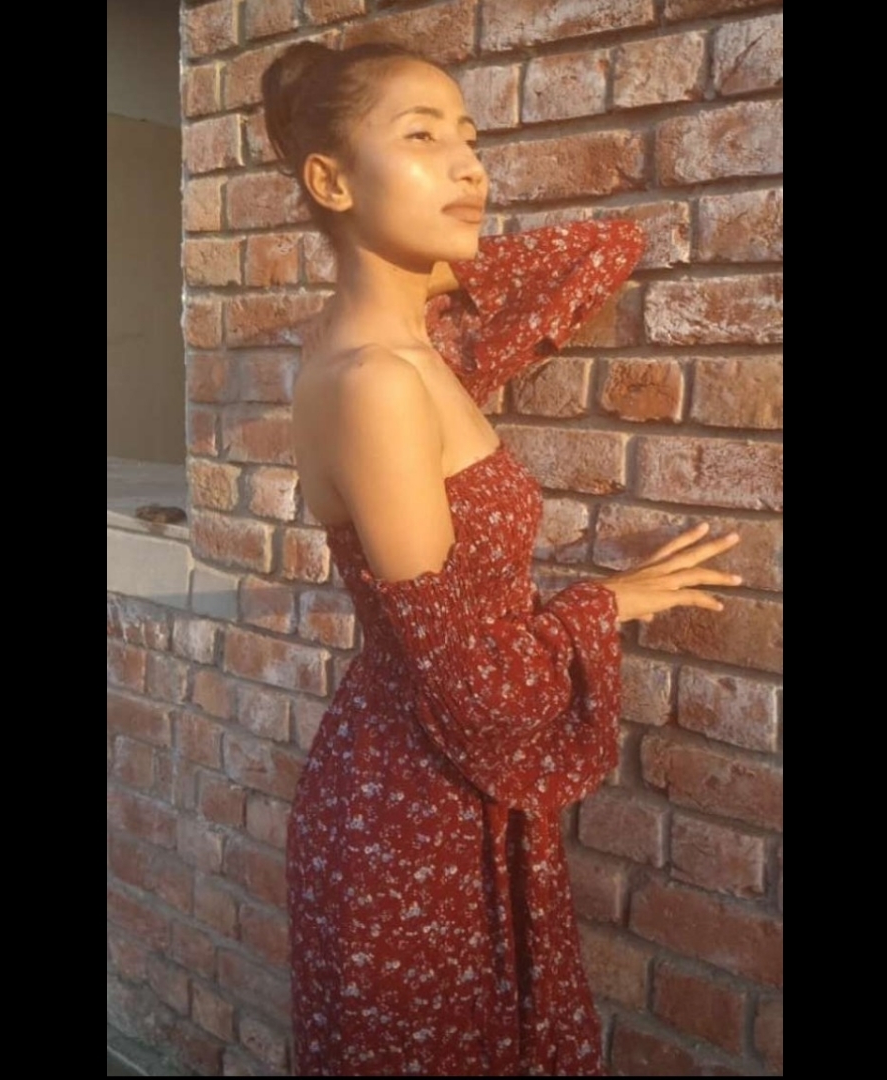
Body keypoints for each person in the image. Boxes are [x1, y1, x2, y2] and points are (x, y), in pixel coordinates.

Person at [262, 41, 742, 1076]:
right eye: (422, 137)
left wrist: (437, 252)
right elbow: (471, 687)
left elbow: (603, 248)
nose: (471, 167)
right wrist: (609, 603)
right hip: (416, 823)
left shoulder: (425, 345)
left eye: (470, 139)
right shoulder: (379, 383)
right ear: (331, 181)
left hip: (420, 786)